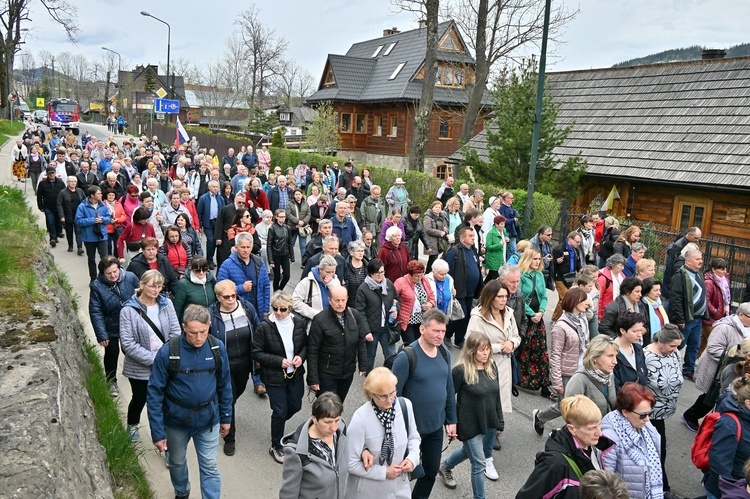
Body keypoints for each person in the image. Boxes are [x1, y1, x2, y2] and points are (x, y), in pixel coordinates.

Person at [146, 304, 233, 499]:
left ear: (209, 325)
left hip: (209, 421)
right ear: (184, 327)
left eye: (203, 331)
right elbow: (154, 393)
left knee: (210, 466)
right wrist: (158, 432)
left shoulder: (217, 348)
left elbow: (225, 384)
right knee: (176, 462)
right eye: (193, 332)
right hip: (176, 423)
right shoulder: (168, 352)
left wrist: (226, 417)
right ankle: (182, 492)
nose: (199, 337)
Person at [392, 308, 457, 499]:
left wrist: (451, 420)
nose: (440, 336)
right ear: (422, 329)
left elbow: (448, 389)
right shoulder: (407, 357)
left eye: (443, 331)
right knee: (401, 474)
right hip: (409, 431)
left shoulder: (444, 354)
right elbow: (391, 396)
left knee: (429, 473)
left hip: (435, 429)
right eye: (435, 331)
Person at [438, 331, 504, 496]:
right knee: (479, 463)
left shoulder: (491, 366)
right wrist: (450, 422)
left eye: (487, 349)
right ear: (471, 350)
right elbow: (448, 398)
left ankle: (445, 466)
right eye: (481, 350)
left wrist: (499, 421)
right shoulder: (460, 370)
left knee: (469, 451)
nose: (486, 353)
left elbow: (496, 396)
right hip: (468, 422)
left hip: (488, 420)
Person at [120, 270, 181, 441]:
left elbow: (175, 332)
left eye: (159, 286)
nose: (156, 290)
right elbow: (128, 344)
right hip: (140, 367)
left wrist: (168, 356)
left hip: (165, 363)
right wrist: (155, 360)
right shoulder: (128, 310)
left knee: (164, 403)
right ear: (141, 285)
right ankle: (132, 424)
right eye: (152, 286)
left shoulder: (166, 303)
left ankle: (165, 439)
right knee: (140, 398)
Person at [516, 395, 615, 499]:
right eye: (592, 428)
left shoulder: (595, 447)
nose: (599, 433)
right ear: (572, 429)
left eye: (599, 425)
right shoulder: (555, 464)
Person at [346, 368, 421, 498]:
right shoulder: (360, 418)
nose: (389, 399)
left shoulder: (405, 406)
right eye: (383, 396)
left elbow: (414, 437)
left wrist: (412, 459)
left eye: (392, 393)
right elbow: (351, 463)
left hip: (400, 489)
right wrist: (383, 472)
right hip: (369, 491)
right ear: (370, 394)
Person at [252, 291, 307, 462]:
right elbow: (256, 352)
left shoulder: (298, 323)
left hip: (295, 374)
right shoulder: (264, 327)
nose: (278, 312)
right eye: (275, 309)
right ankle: (276, 444)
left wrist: (300, 357)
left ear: (290, 308)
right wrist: (278, 361)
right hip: (274, 376)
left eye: (283, 309)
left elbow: (305, 346)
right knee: (280, 410)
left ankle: (279, 424)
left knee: (295, 406)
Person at [208, 279, 262, 454]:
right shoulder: (212, 315)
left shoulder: (247, 308)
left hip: (245, 362)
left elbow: (258, 329)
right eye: (226, 297)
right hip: (224, 364)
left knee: (237, 392)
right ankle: (229, 437)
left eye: (233, 295)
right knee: (229, 398)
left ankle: (223, 408)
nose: (231, 299)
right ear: (218, 297)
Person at [682, 302, 750, 432]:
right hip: (716, 370)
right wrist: (735, 357)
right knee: (710, 397)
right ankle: (690, 416)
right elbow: (713, 349)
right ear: (740, 315)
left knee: (714, 397)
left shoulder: (746, 329)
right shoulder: (724, 328)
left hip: (731, 369)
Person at [533, 288, 591, 435]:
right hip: (567, 372)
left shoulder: (583, 319)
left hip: (582, 370)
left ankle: (570, 434)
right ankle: (541, 417)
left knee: (577, 405)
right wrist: (557, 381)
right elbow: (556, 355)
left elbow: (587, 344)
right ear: (575, 302)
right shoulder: (561, 326)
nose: (587, 303)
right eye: (584, 300)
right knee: (564, 406)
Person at [466, 280, 521, 417]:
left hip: (505, 365)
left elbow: (516, 336)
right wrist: (500, 347)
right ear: (490, 297)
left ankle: (496, 426)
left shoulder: (508, 313)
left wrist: (512, 343)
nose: (504, 300)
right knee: (486, 401)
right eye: (500, 297)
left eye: (505, 297)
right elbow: (470, 342)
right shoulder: (478, 317)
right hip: (485, 364)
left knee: (500, 402)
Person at [600, 382, 663, 499]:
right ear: (625, 412)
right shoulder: (610, 438)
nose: (647, 419)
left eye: (649, 413)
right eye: (643, 415)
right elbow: (606, 484)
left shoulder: (643, 426)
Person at [279, 392, 348, 497]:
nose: (333, 428)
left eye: (337, 420)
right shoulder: (297, 452)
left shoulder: (341, 429)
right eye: (327, 422)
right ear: (314, 418)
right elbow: (288, 493)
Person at [89, 256, 140, 396]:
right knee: (111, 353)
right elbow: (95, 311)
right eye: (109, 273)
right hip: (110, 324)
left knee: (131, 351)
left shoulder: (130, 277)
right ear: (103, 273)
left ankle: (137, 377)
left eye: (115, 271)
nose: (113, 275)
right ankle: (111, 381)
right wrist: (102, 334)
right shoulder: (97, 286)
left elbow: (141, 295)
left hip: (130, 323)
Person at [306, 285, 368, 403]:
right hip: (327, 374)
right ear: (330, 300)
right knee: (328, 408)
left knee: (339, 405)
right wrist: (313, 379)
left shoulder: (355, 315)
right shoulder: (320, 320)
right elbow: (312, 350)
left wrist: (363, 364)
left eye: (343, 300)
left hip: (347, 373)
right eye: (337, 300)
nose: (340, 303)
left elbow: (361, 342)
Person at [644, 324, 684, 497]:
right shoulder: (646, 356)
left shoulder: (674, 353)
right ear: (660, 342)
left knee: (659, 448)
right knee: (657, 450)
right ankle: (662, 488)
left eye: (678, 346)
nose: (676, 350)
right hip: (650, 414)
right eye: (673, 346)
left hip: (664, 412)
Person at [705, 377, 750, 499]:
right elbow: (720, 464)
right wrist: (734, 492)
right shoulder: (729, 424)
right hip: (730, 490)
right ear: (748, 403)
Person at [668, 248, 708, 379]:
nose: (700, 262)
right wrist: (680, 319)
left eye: (701, 259)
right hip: (686, 318)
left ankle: (688, 369)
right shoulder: (680, 276)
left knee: (694, 345)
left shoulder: (699, 275)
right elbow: (676, 298)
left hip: (697, 318)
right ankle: (668, 364)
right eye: (697, 259)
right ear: (688, 261)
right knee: (679, 344)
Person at [516, 250, 551, 395]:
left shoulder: (540, 275)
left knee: (541, 351)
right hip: (525, 317)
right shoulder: (521, 275)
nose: (537, 262)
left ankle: (544, 384)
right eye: (534, 259)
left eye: (539, 259)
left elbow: (544, 296)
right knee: (523, 348)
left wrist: (541, 312)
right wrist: (531, 314)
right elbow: (520, 297)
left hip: (538, 317)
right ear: (527, 259)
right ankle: (519, 378)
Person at [356, 259, 399, 373]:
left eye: (382, 272)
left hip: (387, 328)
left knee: (391, 355)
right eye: (377, 273)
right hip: (372, 329)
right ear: (371, 273)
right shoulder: (363, 289)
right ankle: (369, 378)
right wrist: (366, 331)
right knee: (370, 356)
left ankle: (391, 378)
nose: (381, 275)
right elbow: (360, 312)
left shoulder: (388, 283)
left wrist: (396, 309)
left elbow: (397, 299)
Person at [216, 231, 271, 321]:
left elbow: (266, 286)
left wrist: (265, 309)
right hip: (237, 311)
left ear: (252, 247)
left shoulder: (259, 262)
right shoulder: (227, 265)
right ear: (236, 247)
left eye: (248, 247)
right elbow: (219, 289)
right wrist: (242, 288)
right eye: (242, 247)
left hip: (258, 310)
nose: (245, 250)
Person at [446, 226, 483, 348]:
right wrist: (451, 288)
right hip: (460, 290)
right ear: (462, 238)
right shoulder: (454, 252)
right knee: (461, 315)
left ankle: (459, 339)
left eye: (473, 236)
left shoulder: (473, 250)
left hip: (471, 291)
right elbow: (448, 272)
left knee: (467, 316)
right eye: (470, 236)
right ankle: (447, 333)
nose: (473, 238)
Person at [564, 335, 619, 417]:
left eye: (615, 356)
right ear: (595, 357)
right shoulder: (579, 380)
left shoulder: (609, 375)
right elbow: (570, 413)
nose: (615, 361)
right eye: (610, 356)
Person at [394, 260, 436, 344]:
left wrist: (430, 304)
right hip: (407, 320)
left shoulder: (424, 280)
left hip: (421, 319)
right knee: (411, 346)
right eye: (417, 276)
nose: (419, 278)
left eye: (421, 275)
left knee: (420, 345)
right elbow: (392, 297)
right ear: (410, 274)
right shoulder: (400, 282)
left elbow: (431, 295)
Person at [75, 185, 112, 281]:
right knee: (91, 259)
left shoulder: (103, 205)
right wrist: (93, 220)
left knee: (105, 258)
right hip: (89, 237)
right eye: (99, 194)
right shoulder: (82, 206)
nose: (101, 195)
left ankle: (104, 277)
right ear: (92, 195)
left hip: (102, 236)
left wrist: (103, 219)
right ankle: (93, 278)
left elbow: (109, 218)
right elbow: (78, 221)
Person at [599, 277, 649, 341]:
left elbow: (646, 323)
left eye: (640, 291)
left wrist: (645, 329)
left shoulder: (640, 305)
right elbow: (604, 328)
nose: (640, 295)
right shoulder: (614, 307)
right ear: (627, 292)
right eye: (637, 292)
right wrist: (618, 339)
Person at [662, 226, 702, 299]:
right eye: (696, 238)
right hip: (674, 276)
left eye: (699, 238)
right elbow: (673, 264)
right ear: (689, 234)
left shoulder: (688, 242)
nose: (697, 240)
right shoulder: (678, 245)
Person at [612, 312, 649, 390]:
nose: (639, 335)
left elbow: (644, 374)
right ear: (622, 331)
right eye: (635, 331)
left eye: (640, 331)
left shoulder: (638, 349)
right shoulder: (611, 352)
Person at [173, 257, 217, 323]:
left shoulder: (210, 279)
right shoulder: (183, 284)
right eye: (198, 270)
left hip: (210, 319)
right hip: (192, 321)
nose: (201, 273)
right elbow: (177, 308)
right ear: (192, 269)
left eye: (204, 270)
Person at [702, 257, 731, 356]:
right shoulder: (709, 282)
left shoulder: (724, 281)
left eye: (725, 268)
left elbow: (725, 298)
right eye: (721, 269)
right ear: (714, 269)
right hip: (710, 318)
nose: (724, 271)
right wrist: (715, 311)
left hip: (720, 317)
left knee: (704, 342)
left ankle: (693, 362)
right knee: (712, 342)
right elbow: (706, 300)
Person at [552, 231, 583, 321]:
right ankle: (556, 319)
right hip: (560, 277)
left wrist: (580, 270)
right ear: (570, 239)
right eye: (577, 242)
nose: (578, 244)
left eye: (579, 242)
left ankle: (555, 317)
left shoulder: (575, 250)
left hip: (571, 277)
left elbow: (577, 263)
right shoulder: (559, 249)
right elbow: (551, 264)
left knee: (566, 298)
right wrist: (556, 261)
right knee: (564, 299)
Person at [197, 180, 226, 270]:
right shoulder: (203, 198)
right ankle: (208, 260)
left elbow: (223, 212)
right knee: (210, 241)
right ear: (209, 187)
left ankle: (212, 260)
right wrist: (200, 224)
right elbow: (199, 212)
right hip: (208, 222)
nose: (215, 188)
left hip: (217, 223)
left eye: (217, 187)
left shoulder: (220, 198)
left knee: (215, 241)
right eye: (213, 187)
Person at [214, 192, 246, 268]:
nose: (241, 204)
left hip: (240, 238)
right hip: (225, 237)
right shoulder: (226, 209)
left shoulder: (245, 211)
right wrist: (218, 237)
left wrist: (252, 208)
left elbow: (254, 219)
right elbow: (219, 223)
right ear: (235, 200)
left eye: (243, 202)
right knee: (223, 259)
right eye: (239, 202)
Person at [57, 175, 86, 254]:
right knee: (69, 232)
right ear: (67, 182)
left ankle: (79, 247)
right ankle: (70, 245)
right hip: (68, 215)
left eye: (74, 182)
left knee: (78, 231)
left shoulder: (80, 191)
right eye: (71, 181)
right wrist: (62, 216)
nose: (73, 183)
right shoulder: (63, 192)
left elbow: (85, 202)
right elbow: (59, 204)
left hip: (79, 215)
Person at [37, 167, 66, 247]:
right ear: (47, 174)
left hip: (59, 206)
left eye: (53, 173)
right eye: (50, 173)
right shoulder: (43, 184)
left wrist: (65, 205)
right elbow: (39, 196)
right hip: (48, 206)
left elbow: (65, 194)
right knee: (50, 221)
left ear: (55, 173)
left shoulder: (60, 183)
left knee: (58, 222)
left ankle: (56, 236)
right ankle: (52, 238)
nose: (51, 175)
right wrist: (40, 206)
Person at [267, 209, 294, 291]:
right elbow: (269, 245)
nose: (283, 219)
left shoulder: (287, 228)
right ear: (276, 217)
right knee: (277, 277)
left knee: (286, 276)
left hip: (285, 255)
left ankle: (280, 290)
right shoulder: (272, 228)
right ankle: (276, 292)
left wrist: (292, 257)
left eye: (284, 217)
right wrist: (271, 260)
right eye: (281, 217)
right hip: (276, 255)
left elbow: (290, 243)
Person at [597, 254, 626, 320]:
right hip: (607, 313)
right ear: (613, 265)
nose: (623, 268)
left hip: (619, 311)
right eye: (621, 265)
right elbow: (599, 298)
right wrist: (599, 316)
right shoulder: (603, 279)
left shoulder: (622, 276)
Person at [423, 200, 449, 272]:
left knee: (436, 258)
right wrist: (439, 232)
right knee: (433, 258)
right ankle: (428, 273)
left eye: (439, 207)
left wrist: (444, 231)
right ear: (432, 208)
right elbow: (427, 229)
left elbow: (446, 227)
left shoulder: (442, 217)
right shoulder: (428, 217)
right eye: (436, 207)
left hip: (440, 241)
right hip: (432, 241)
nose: (438, 209)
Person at [286, 188, 311, 259]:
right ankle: (288, 259)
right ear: (293, 195)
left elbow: (308, 214)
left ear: (302, 195)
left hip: (303, 227)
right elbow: (288, 214)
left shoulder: (305, 203)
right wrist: (297, 221)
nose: (298, 196)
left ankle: (303, 261)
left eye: (299, 194)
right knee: (291, 244)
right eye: (296, 194)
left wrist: (303, 222)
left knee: (303, 246)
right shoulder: (290, 203)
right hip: (293, 227)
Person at [529, 224, 555, 289]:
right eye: (548, 235)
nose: (550, 236)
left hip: (545, 272)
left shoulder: (548, 243)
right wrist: (545, 259)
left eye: (551, 234)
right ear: (541, 234)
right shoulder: (533, 243)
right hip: (536, 272)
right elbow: (531, 259)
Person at [484, 215, 507, 282]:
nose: (503, 226)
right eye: (501, 224)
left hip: (501, 256)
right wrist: (499, 245)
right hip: (493, 259)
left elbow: (504, 239)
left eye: (504, 224)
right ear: (496, 224)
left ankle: (483, 287)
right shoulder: (491, 233)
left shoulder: (504, 231)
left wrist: (506, 239)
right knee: (496, 277)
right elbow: (488, 247)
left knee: (490, 276)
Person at [344, 240, 367, 308]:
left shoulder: (367, 266)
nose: (361, 253)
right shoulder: (346, 266)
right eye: (358, 251)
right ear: (351, 252)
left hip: (364, 304)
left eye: (362, 251)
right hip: (350, 303)